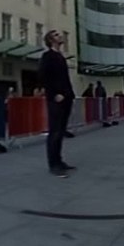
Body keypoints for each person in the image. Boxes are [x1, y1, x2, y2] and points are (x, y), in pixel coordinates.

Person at [38, 30, 75, 178]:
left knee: (61, 131)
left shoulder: (60, 56)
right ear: (50, 40)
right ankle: (53, 164)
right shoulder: (48, 56)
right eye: (56, 35)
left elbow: (64, 78)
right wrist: (54, 94)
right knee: (55, 132)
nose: (60, 36)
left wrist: (69, 94)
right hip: (56, 99)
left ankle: (59, 161)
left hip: (66, 97)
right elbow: (43, 77)